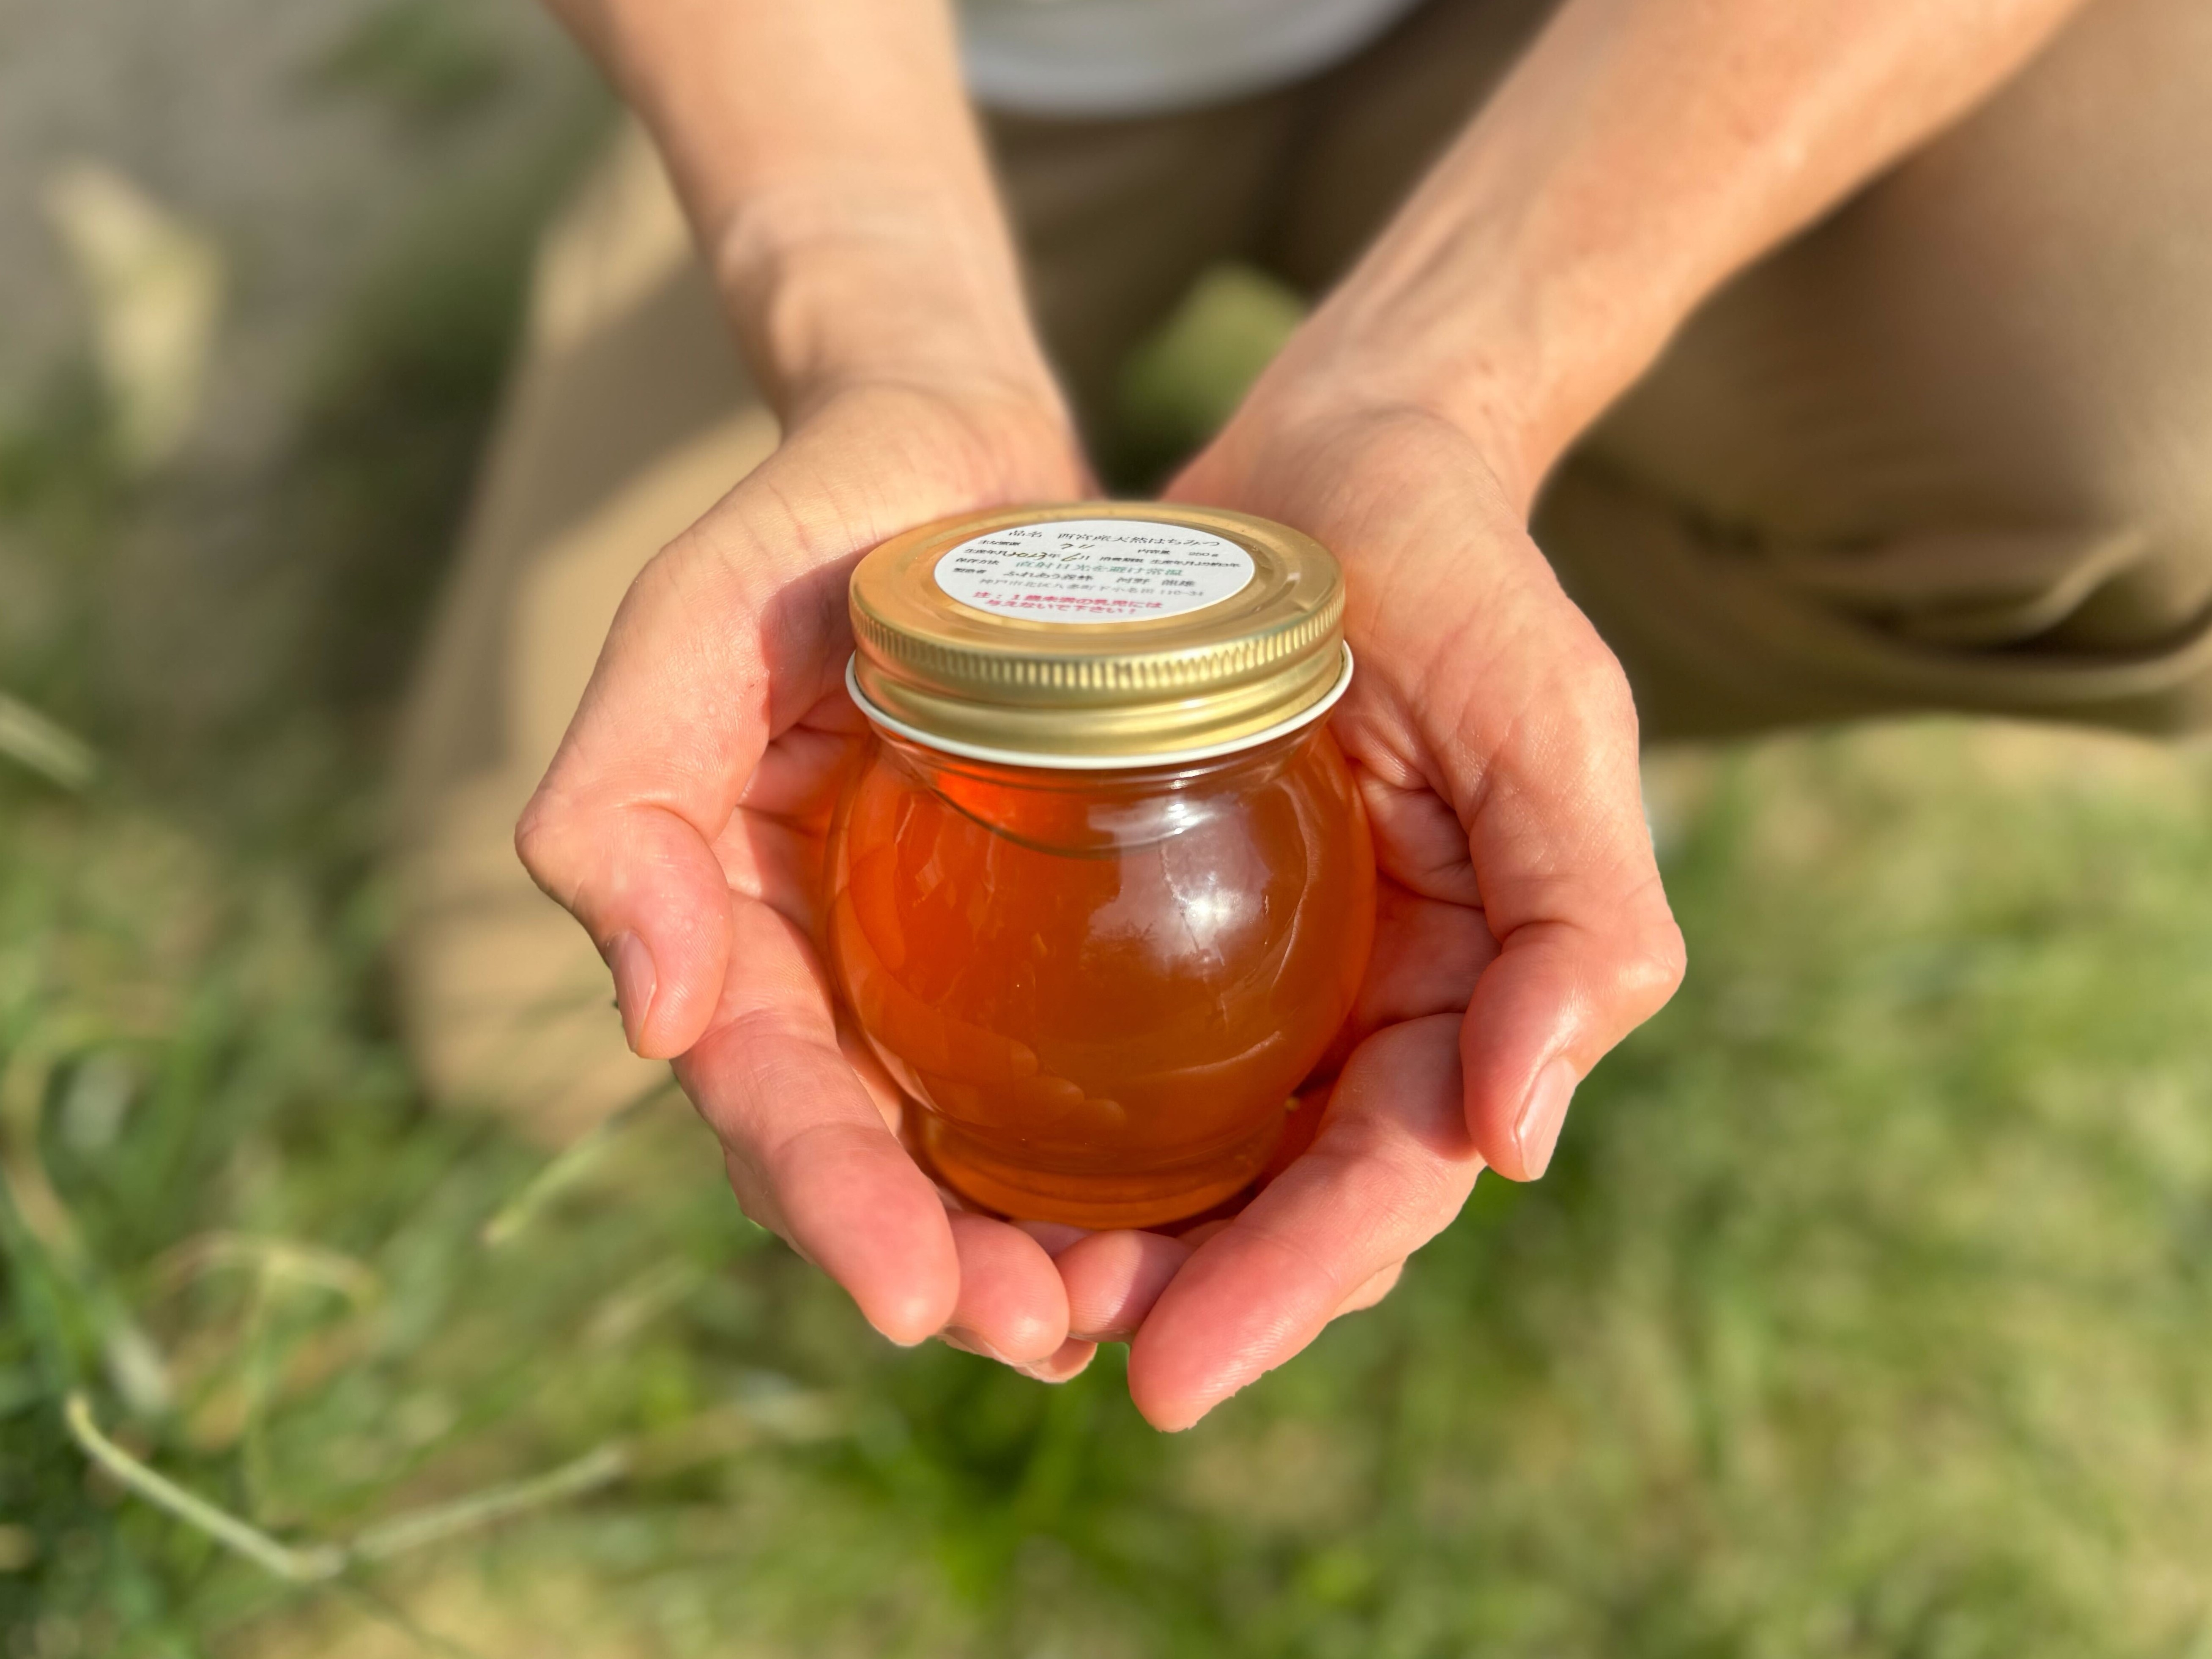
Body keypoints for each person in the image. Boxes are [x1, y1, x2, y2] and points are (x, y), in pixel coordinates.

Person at [391, 0, 2212, 1431]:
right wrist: (884, 329)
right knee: (530, 1011)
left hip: (1571, 56)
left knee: (2156, 435)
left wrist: (1444, 393)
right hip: (898, 70)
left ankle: (1498, 697)